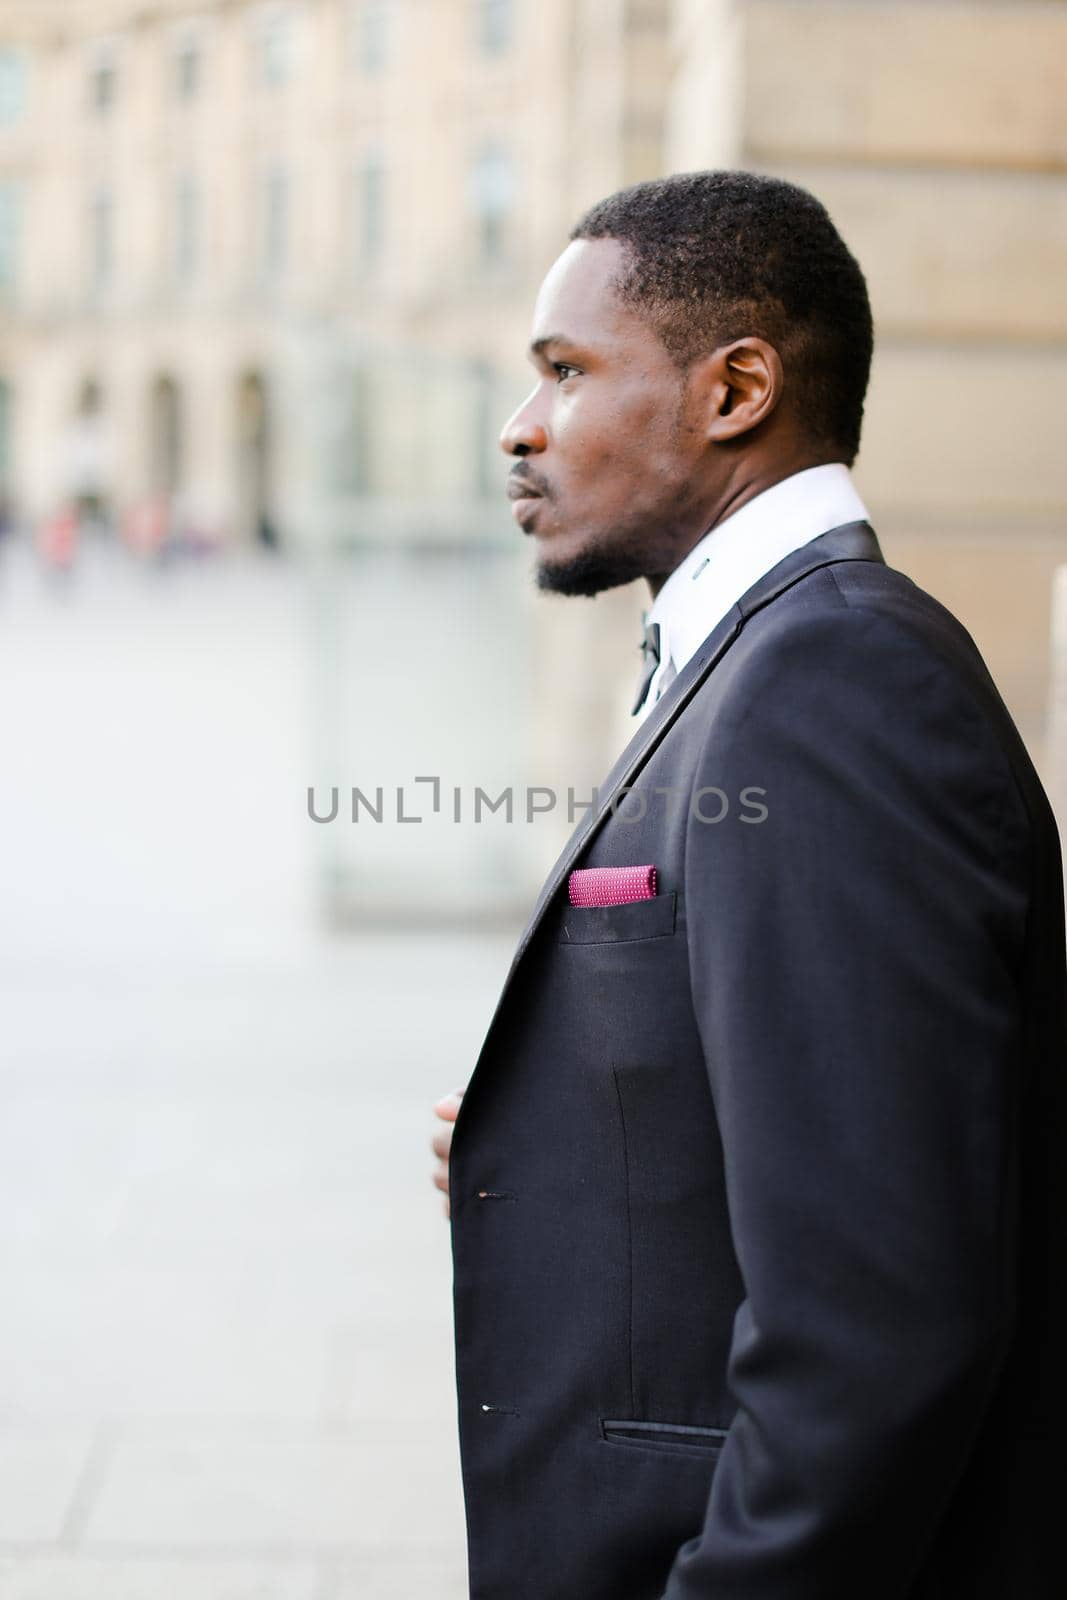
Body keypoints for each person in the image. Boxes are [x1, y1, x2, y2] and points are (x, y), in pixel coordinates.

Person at [429, 171, 1067, 1600]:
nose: (522, 428)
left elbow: (878, 1326)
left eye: (567, 371)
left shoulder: (831, 681)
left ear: (736, 392)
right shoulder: (764, 654)